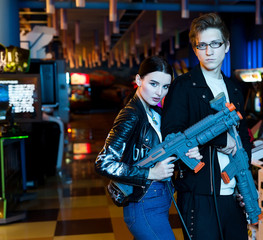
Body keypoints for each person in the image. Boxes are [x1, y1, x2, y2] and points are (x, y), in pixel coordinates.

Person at [161, 13, 252, 240]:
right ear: (195, 49)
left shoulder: (235, 88)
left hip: (233, 195)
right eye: (202, 45)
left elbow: (243, 136)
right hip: (198, 194)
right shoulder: (183, 87)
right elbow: (171, 134)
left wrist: (243, 180)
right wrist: (222, 141)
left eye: (215, 44)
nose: (209, 51)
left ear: (227, 46)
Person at [95, 56, 202, 240]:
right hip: (143, 205)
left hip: (159, 201)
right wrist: (150, 174)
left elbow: (158, 153)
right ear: (138, 80)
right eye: (153, 84)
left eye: (165, 87)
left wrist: (184, 152)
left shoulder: (155, 111)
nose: (159, 92)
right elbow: (103, 163)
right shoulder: (131, 115)